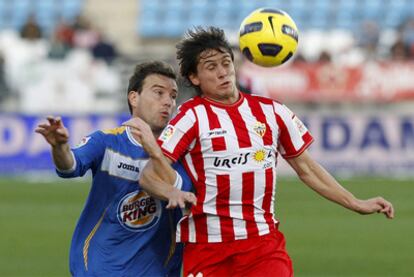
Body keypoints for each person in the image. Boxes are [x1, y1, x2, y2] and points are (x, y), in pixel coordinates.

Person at [126, 27, 394, 277]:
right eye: (211, 67)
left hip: (262, 246)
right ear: (194, 77)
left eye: (226, 63)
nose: (222, 72)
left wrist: (355, 202)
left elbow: (307, 169)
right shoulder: (190, 117)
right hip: (207, 248)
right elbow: (149, 175)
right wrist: (171, 192)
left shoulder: (272, 111)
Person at [35, 61, 196, 276]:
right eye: (159, 93)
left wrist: (155, 151)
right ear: (134, 98)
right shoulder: (107, 141)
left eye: (173, 95)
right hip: (99, 267)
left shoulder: (183, 154)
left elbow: (183, 195)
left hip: (157, 270)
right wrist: (59, 147)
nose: (168, 101)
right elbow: (70, 166)